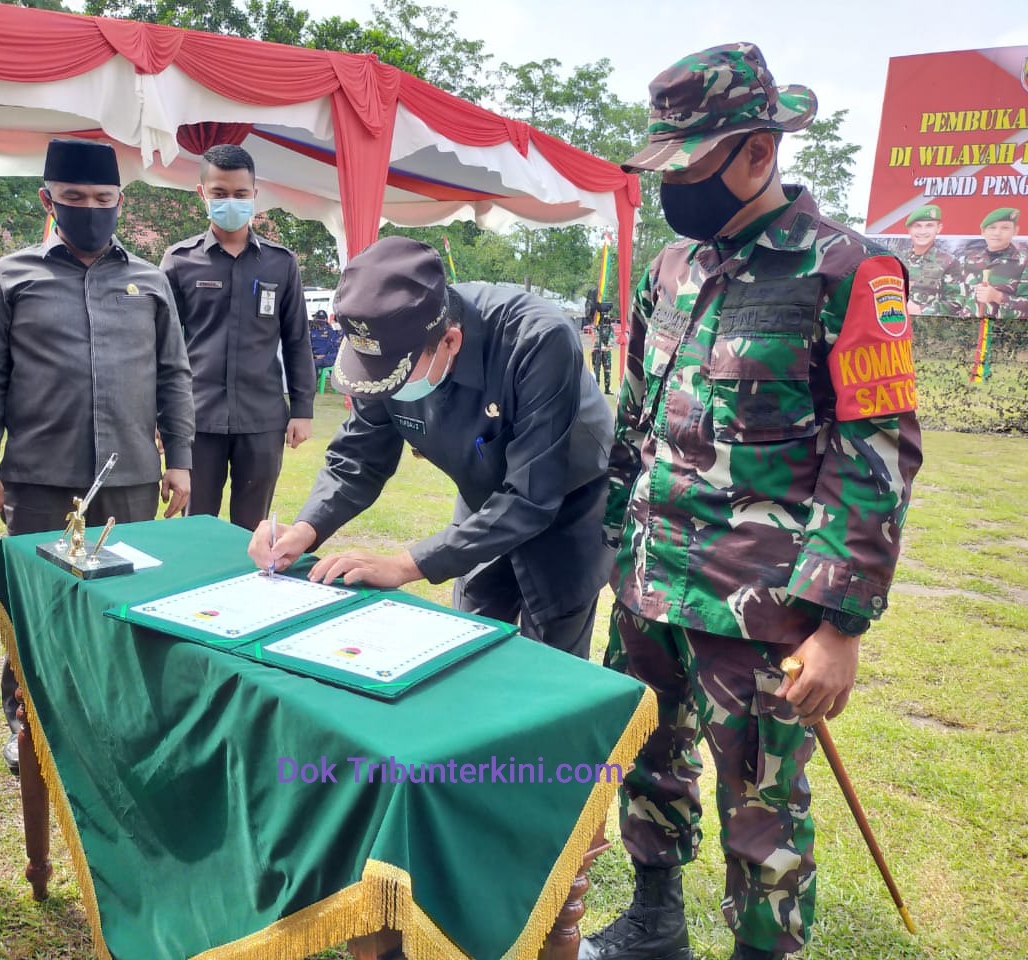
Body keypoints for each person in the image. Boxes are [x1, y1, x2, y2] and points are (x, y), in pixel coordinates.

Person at [581, 43, 923, 960]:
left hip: (761, 607)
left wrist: (840, 626)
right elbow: (638, 420)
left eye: (687, 164)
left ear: (757, 154)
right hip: (651, 582)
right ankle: (655, 920)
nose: (674, 186)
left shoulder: (851, 269)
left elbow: (876, 455)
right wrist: (613, 544)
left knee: (761, 811)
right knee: (648, 761)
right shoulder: (671, 268)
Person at [247, 236, 614, 659]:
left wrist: (405, 565)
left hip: (568, 503)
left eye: (395, 378)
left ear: (451, 342)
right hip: (482, 499)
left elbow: (533, 495)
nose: (385, 388)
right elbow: (359, 456)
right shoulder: (386, 343)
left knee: (551, 658)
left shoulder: (538, 340)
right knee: (466, 641)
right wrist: (305, 528)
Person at [0, 138, 195, 776]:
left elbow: (174, 374)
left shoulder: (150, 282)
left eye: (102, 199)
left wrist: (181, 457)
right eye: (74, 200)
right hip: (39, 478)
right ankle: (25, 725)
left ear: (120, 201)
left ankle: (116, 722)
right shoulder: (11, 277)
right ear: (48, 201)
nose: (90, 209)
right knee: (37, 611)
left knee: (128, 605)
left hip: (131, 479)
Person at [161, 144, 315, 530]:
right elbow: (158, 346)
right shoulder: (179, 261)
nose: (231, 201)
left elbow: (297, 339)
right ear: (202, 195)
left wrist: (303, 409)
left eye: (240, 194)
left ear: (255, 196)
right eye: (219, 193)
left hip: (262, 419)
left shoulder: (281, 264)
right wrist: (157, 416)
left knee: (253, 530)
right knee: (196, 527)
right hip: (198, 420)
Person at [890, 204, 961, 316]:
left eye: (929, 226)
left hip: (929, 330)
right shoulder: (897, 260)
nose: (922, 231)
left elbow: (956, 302)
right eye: (917, 226)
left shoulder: (949, 262)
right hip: (895, 325)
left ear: (938, 228)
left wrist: (922, 310)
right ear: (909, 230)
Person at [956, 207, 1027, 318]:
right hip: (968, 331)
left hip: (1003, 332)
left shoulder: (1024, 262)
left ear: (1015, 231)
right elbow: (956, 297)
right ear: (983, 232)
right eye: (992, 228)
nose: (997, 233)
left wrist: (998, 297)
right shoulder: (968, 260)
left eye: (1005, 228)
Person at [309, 307, 341, 373]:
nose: (319, 322)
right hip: (315, 356)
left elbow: (334, 349)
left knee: (311, 364)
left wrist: (323, 356)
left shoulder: (332, 332)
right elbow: (308, 346)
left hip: (327, 358)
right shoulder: (313, 331)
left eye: (321, 319)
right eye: (318, 319)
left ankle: (312, 382)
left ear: (325, 320)